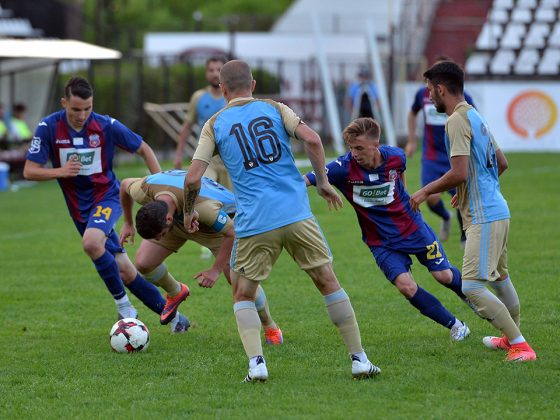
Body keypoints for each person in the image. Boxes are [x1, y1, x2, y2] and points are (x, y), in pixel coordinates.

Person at [184, 60, 381, 382]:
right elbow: (313, 140)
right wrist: (322, 182)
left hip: (254, 221)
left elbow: (193, 178)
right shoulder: (275, 108)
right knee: (327, 282)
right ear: (253, 84)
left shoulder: (214, 123)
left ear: (223, 89)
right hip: (295, 213)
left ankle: (257, 365)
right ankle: (359, 359)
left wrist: (188, 211)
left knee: (244, 294)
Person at [23, 76, 190, 333]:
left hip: (106, 197)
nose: (82, 115)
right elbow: (29, 171)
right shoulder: (48, 127)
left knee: (91, 243)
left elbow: (144, 149)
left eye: (87, 108)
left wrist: (160, 188)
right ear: (64, 103)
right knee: (125, 270)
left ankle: (125, 308)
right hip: (78, 209)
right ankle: (177, 319)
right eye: (76, 109)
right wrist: (61, 171)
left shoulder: (105, 125)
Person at [410, 61, 536, 362]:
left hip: (484, 216)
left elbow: (459, 172)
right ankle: (511, 337)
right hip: (498, 209)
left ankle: (521, 346)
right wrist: (468, 191)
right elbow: (501, 163)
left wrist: (425, 191)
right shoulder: (475, 115)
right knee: (500, 278)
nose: (429, 96)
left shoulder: (455, 120)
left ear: (441, 89)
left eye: (430, 90)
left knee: (471, 286)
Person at [304, 117, 471, 341]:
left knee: (444, 275)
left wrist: (405, 197)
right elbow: (306, 179)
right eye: (351, 147)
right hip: (380, 241)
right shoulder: (342, 168)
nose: (354, 153)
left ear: (376, 144)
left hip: (413, 228)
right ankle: (456, 326)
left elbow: (400, 174)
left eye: (359, 148)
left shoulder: (395, 156)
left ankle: (476, 299)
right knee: (406, 286)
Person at [119, 169, 283, 345]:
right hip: (178, 222)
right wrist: (128, 222)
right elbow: (124, 184)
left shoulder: (203, 207)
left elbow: (232, 232)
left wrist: (215, 270)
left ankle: (270, 326)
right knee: (144, 263)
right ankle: (176, 292)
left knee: (238, 280)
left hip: (218, 229)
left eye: (160, 235)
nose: (159, 239)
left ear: (167, 219)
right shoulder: (145, 189)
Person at [406, 57, 476, 246]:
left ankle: (465, 236)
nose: (430, 92)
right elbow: (412, 113)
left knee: (460, 197)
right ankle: (446, 217)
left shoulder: (462, 101)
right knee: (431, 198)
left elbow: (473, 123)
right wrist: (411, 140)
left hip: (454, 155)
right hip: (431, 156)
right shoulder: (422, 94)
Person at [174, 56, 232, 188]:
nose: (215, 74)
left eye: (219, 70)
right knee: (205, 191)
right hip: (206, 158)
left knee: (230, 199)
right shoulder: (198, 97)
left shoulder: (233, 96)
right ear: (206, 73)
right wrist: (178, 155)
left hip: (230, 160)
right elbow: (186, 127)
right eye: (211, 70)